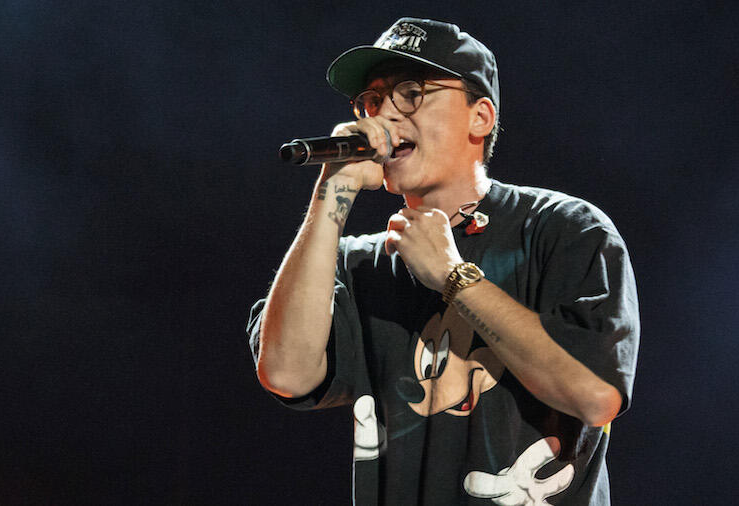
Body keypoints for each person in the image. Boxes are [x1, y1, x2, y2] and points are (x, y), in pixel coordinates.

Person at [248, 17, 640, 505]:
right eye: (371, 100)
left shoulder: (563, 228)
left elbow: (596, 396)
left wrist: (455, 279)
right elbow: (286, 375)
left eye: (411, 92)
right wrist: (334, 189)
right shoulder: (357, 262)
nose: (383, 115)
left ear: (481, 117)